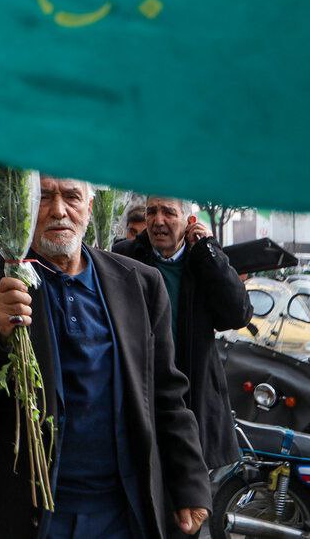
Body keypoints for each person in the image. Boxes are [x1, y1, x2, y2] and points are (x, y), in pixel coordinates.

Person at [0, 176, 211, 538]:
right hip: (29, 513)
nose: (59, 210)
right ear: (21, 207)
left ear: (89, 206)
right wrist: (0, 336)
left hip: (121, 511)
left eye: (71, 196)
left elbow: (167, 395)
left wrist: (190, 484)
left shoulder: (140, 283)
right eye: (43, 197)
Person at [114, 197, 253, 474]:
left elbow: (238, 314)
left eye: (168, 212)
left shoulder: (201, 260)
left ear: (189, 221)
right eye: (151, 212)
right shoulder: (125, 257)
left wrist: (208, 249)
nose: (158, 220)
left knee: (191, 503)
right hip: (140, 397)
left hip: (192, 401)